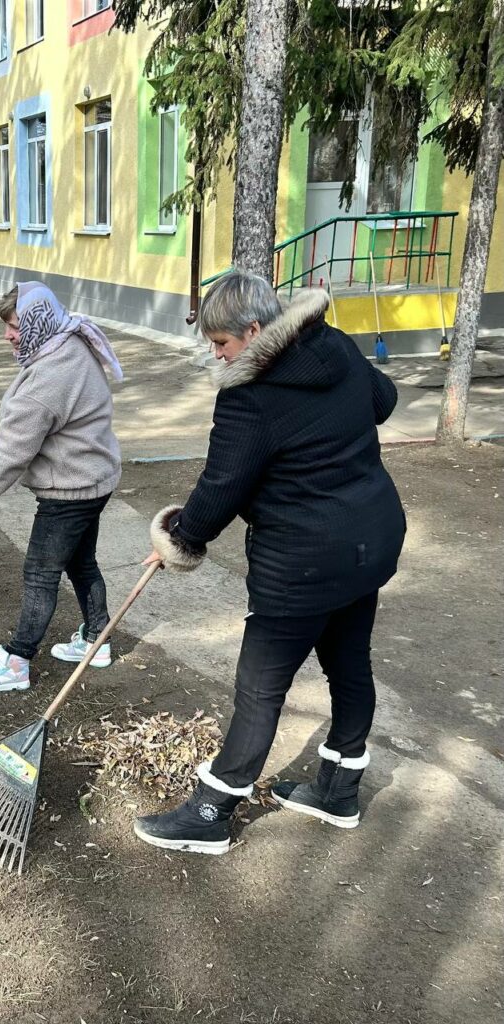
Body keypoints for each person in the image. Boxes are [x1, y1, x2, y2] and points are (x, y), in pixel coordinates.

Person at [136, 271, 405, 855]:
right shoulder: (331, 345)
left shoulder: (249, 396)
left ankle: (212, 810)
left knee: (259, 688)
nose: (215, 354)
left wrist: (179, 538)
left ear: (254, 331)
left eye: (221, 343)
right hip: (370, 541)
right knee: (349, 662)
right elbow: (383, 400)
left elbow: (223, 485)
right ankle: (338, 791)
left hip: (304, 560)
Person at [0, 283, 123, 693]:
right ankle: (96, 640)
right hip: (94, 478)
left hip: (70, 488)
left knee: (40, 575)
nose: (8, 335)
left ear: (36, 324)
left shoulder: (48, 379)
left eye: (14, 327)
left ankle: (17, 660)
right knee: (81, 563)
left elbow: (13, 448)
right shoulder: (67, 338)